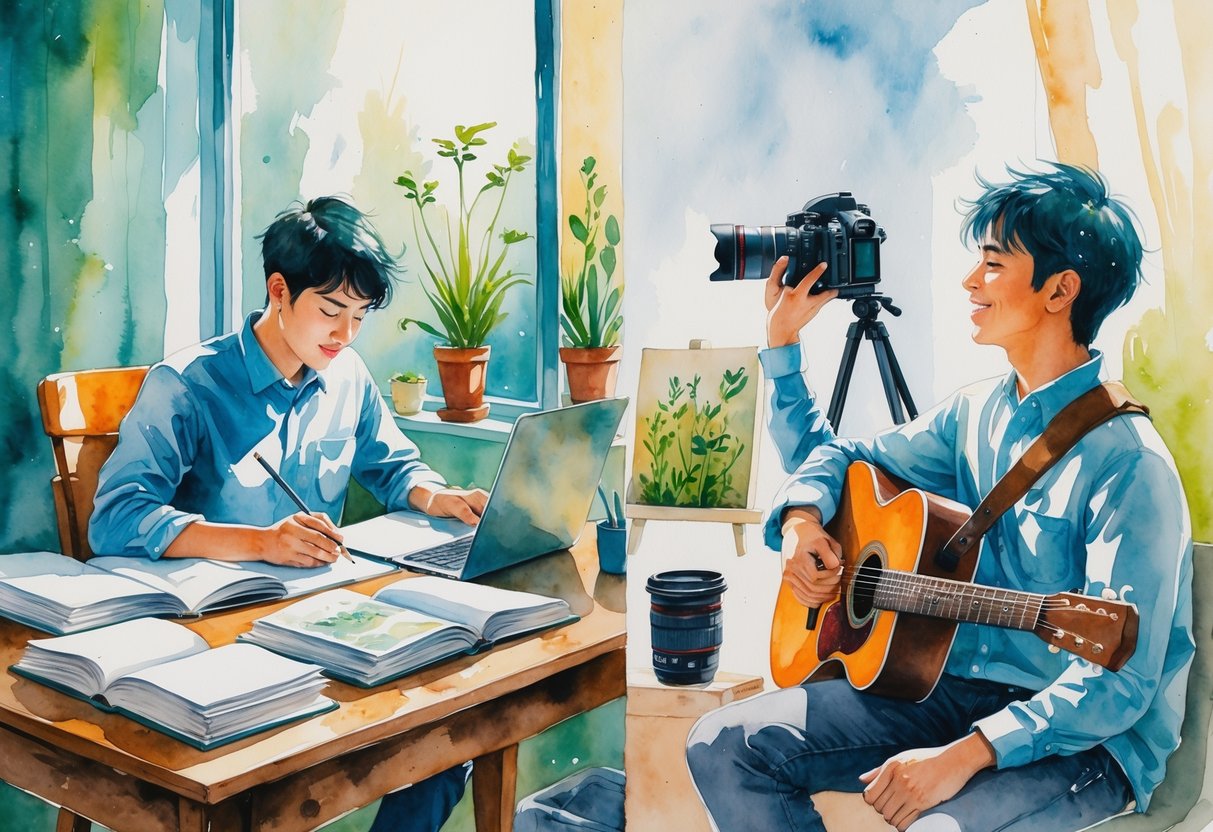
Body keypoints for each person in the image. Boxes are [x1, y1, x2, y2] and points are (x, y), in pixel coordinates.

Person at [685, 163, 1194, 832]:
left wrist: (966, 755)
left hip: (1088, 744)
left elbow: (1116, 687)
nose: (968, 281)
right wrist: (801, 518)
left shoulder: (1129, 467)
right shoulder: (975, 413)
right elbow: (841, 459)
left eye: (992, 263)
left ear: (1059, 290)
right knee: (724, 746)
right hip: (954, 692)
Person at [90, 195, 481, 832]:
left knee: (452, 737)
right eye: (330, 311)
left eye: (359, 316)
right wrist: (259, 543)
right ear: (279, 291)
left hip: (325, 626)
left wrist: (435, 495)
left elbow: (392, 465)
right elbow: (114, 518)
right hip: (214, 648)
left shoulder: (347, 374)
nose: (345, 335)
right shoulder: (187, 384)